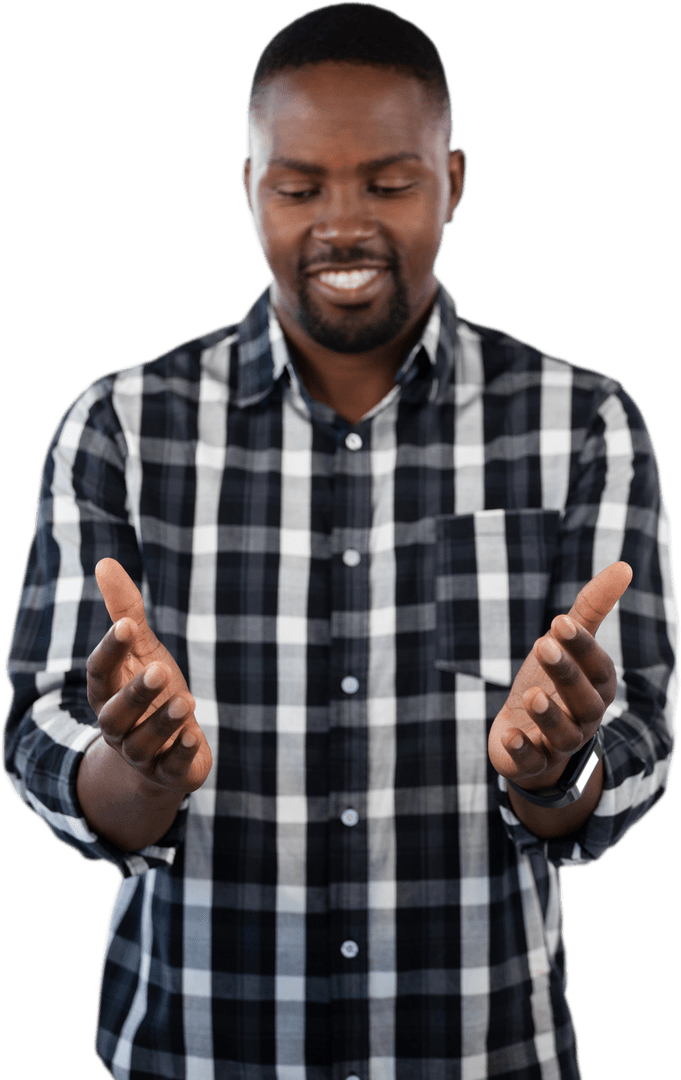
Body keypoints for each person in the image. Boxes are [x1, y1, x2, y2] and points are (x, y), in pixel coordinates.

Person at [3, 3, 677, 1078]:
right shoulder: (121, 424)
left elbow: (638, 735)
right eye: (300, 185)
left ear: (453, 182)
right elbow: (38, 727)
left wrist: (562, 770)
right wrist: (138, 778)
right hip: (192, 1053)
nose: (344, 223)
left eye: (389, 182)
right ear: (248, 189)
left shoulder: (580, 423)